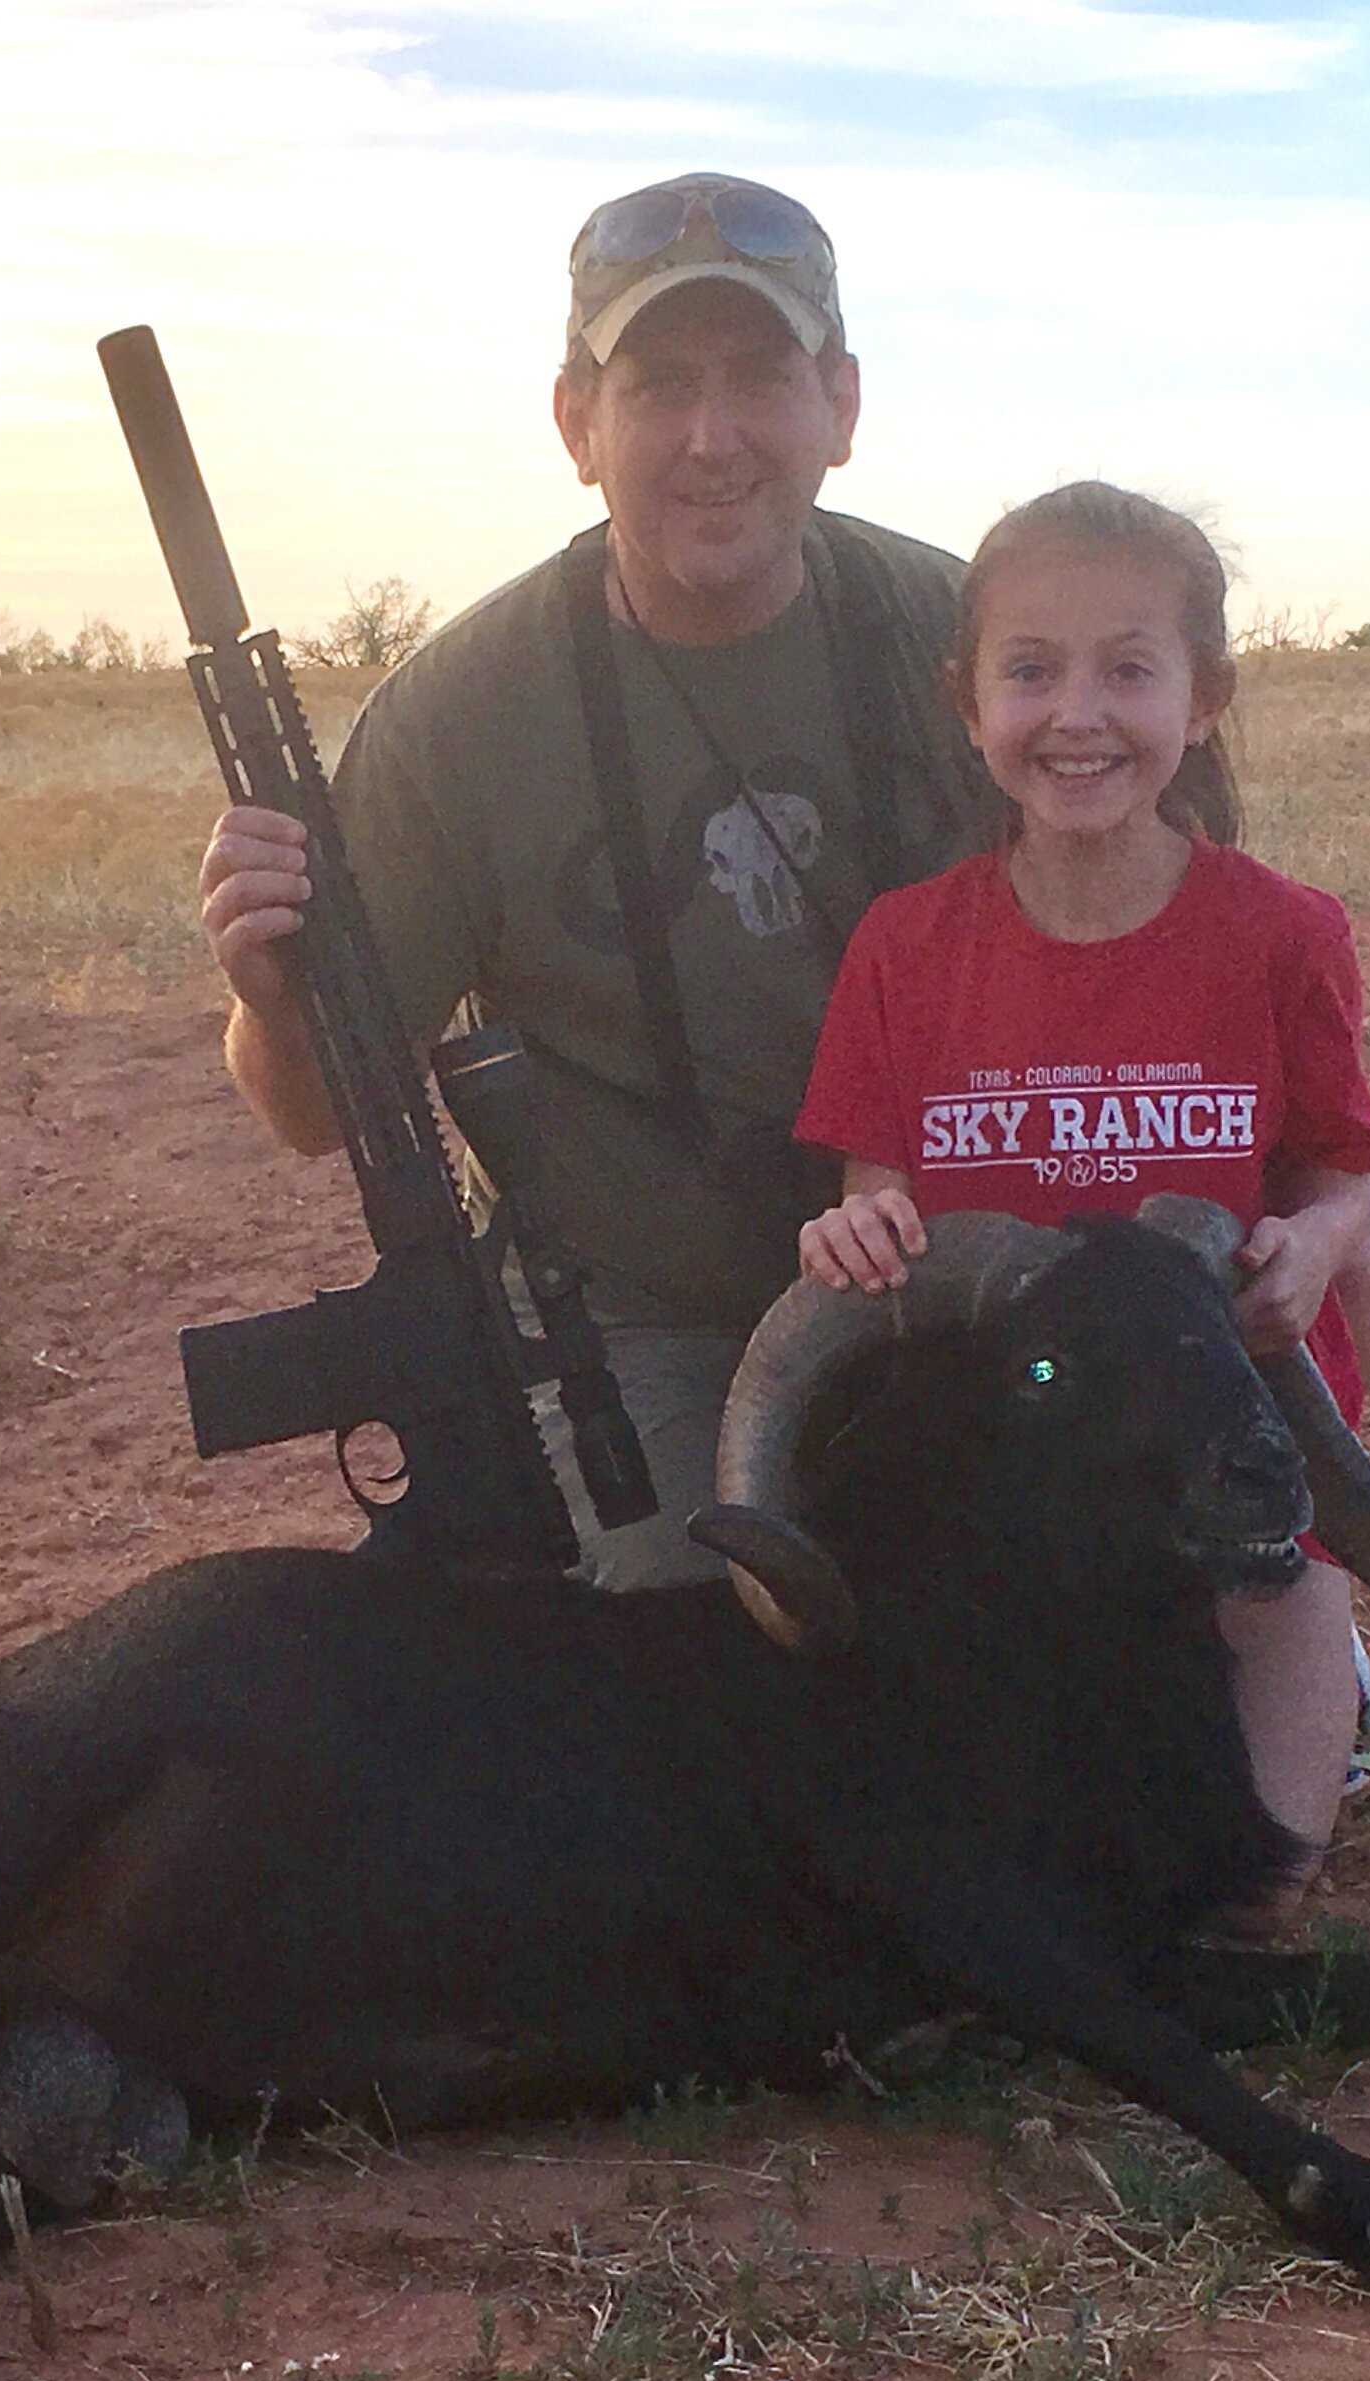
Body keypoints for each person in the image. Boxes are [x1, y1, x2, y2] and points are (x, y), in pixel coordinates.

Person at [199, 173, 988, 1584]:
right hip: (650, 1320)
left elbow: (1164, 950)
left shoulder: (981, 635)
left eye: (760, 378)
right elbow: (318, 1116)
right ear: (577, 423)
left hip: (963, 1278)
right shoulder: (454, 717)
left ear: (841, 408)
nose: (711, 438)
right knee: (685, 1668)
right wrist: (269, 995)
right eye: (658, 386)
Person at [794, 480, 1370, 1888]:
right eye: (1030, 671)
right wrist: (857, 1222)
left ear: (1202, 699)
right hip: (1016, 1442)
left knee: (1257, 1891)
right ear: (968, 705)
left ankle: (1308, 1631)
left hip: (1216, 1415)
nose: (1076, 714)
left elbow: (1335, 1170)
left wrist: (1319, 1243)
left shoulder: (1281, 933)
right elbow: (869, 1182)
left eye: (1127, 670)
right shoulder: (901, 947)